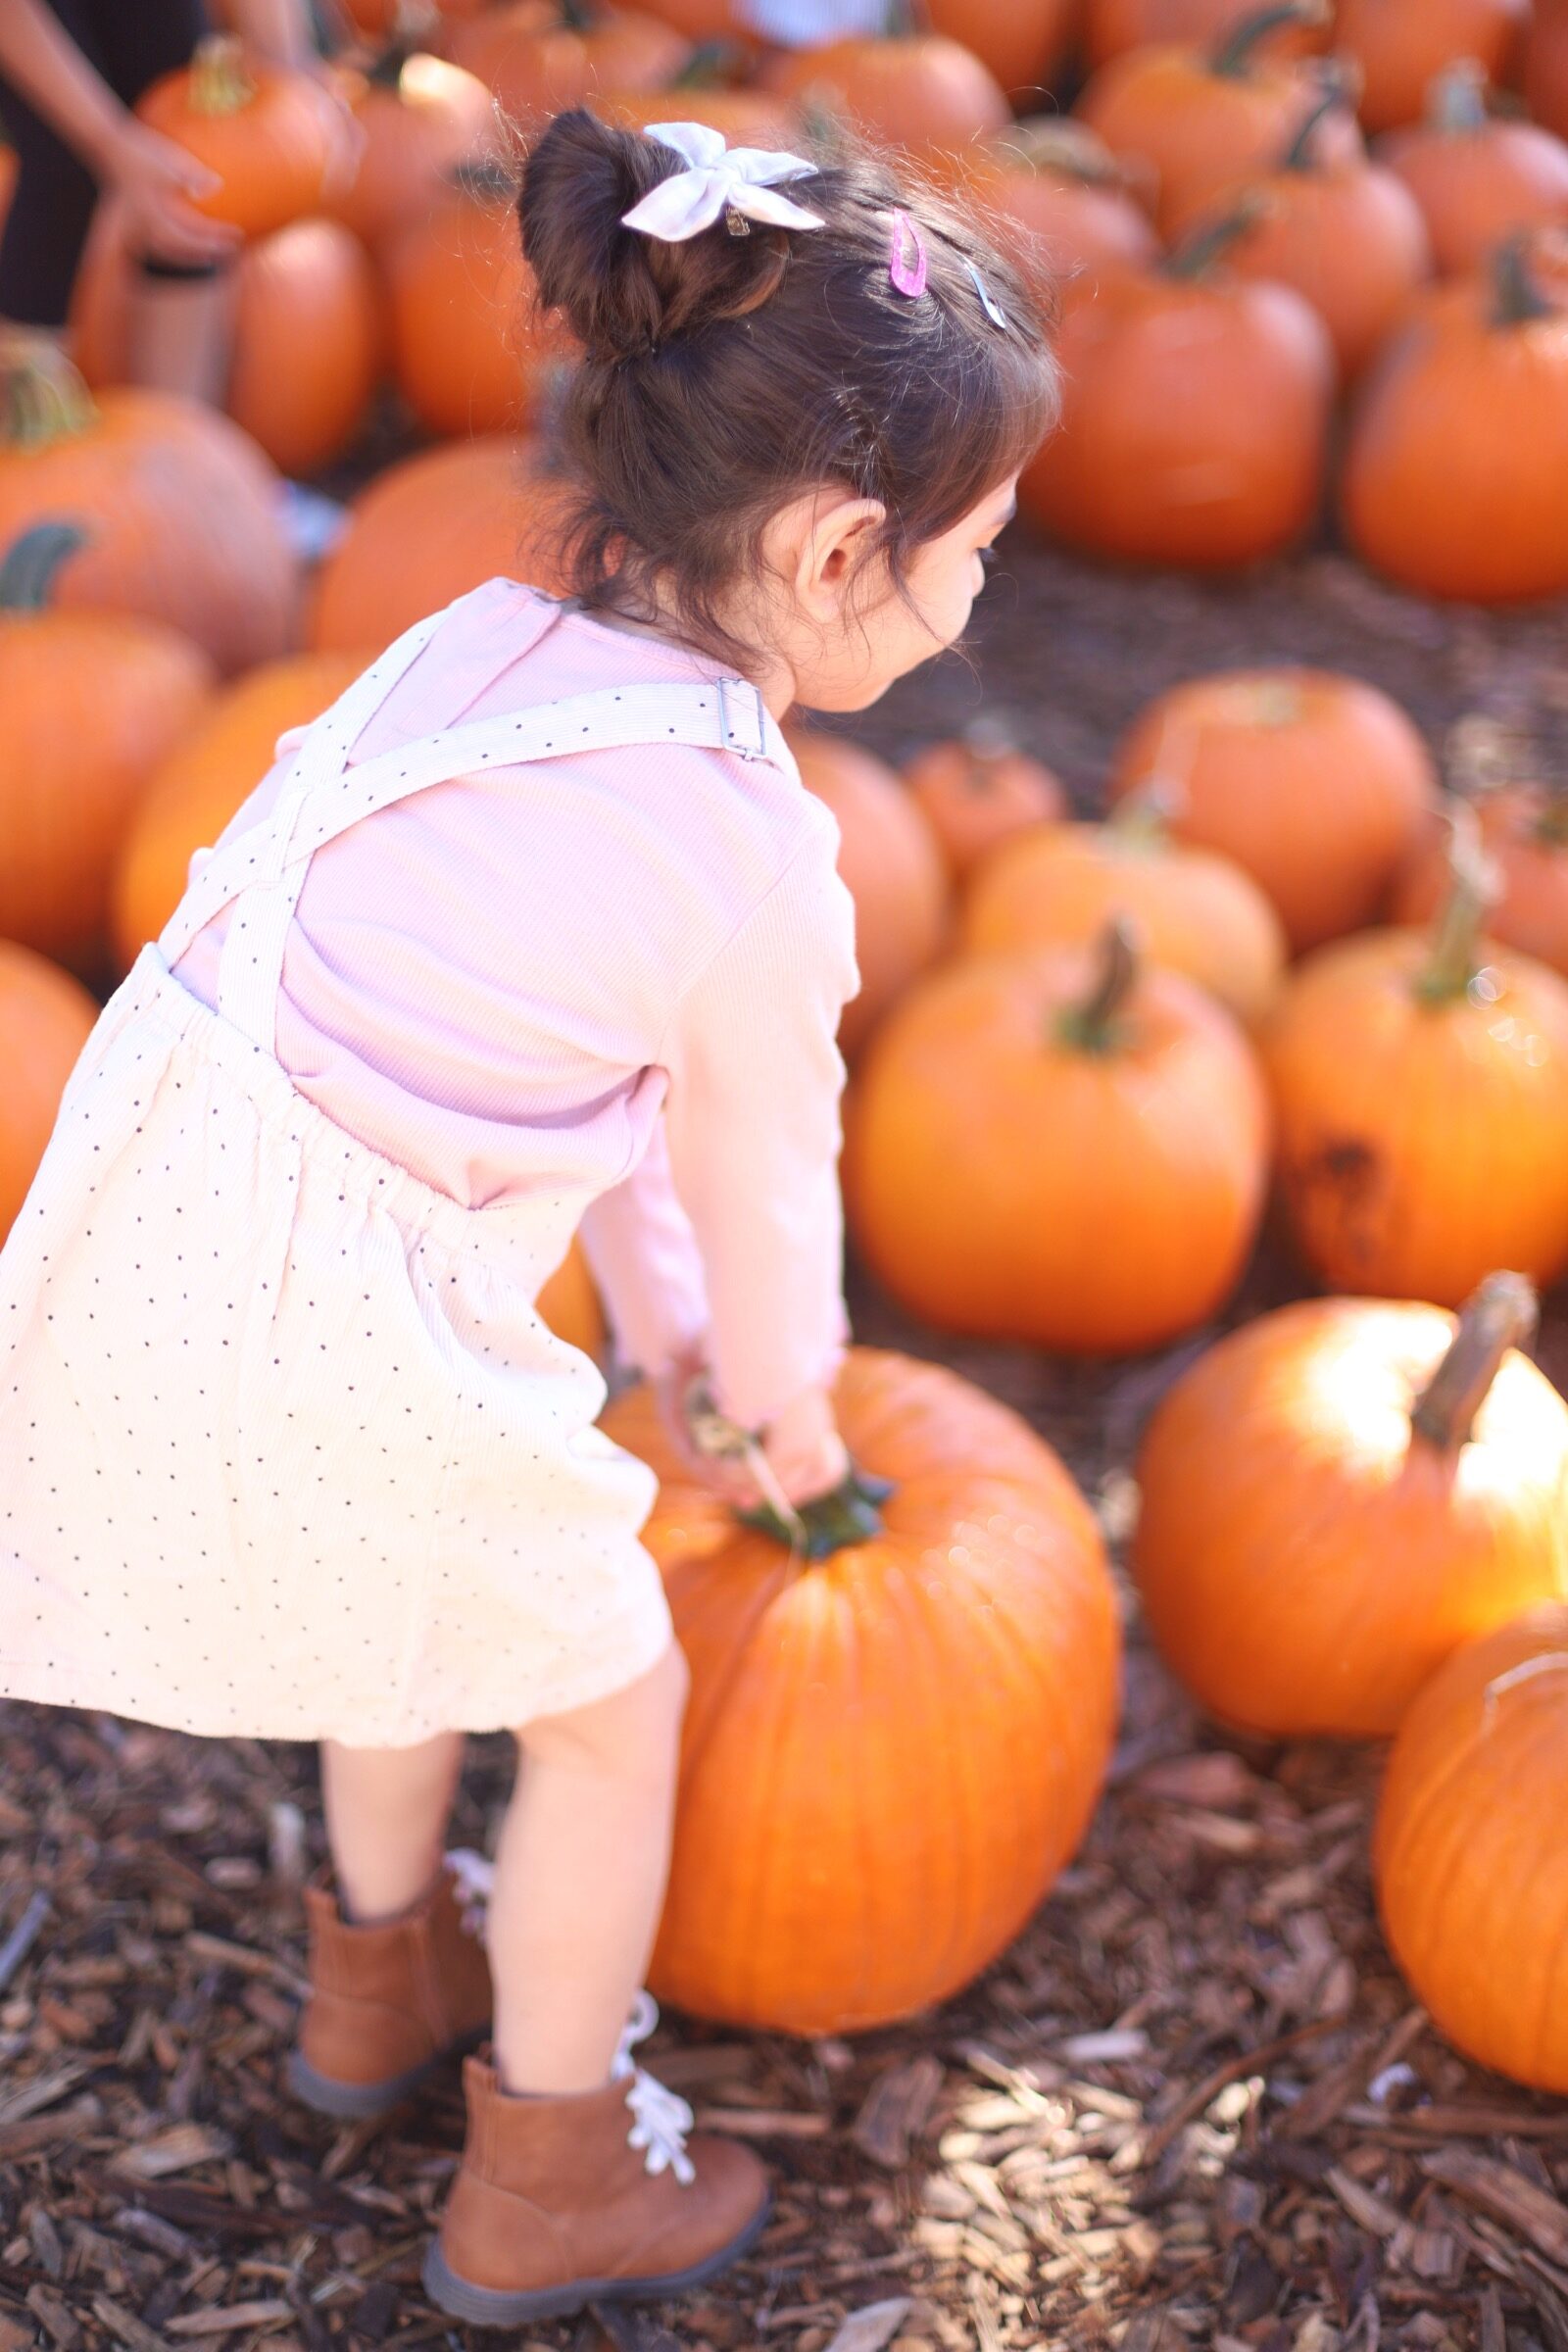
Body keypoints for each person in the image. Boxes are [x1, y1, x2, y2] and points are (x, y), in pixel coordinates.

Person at [0, 106, 1058, 2323]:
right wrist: (773, 1424)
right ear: (844, 551)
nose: (983, 599)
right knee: (603, 1704)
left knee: (410, 1618)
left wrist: (653, 1343)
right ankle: (551, 2171)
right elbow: (759, 1180)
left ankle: (370, 1993)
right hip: (336, 1314)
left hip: (160, 1228)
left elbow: (626, 1120)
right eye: (977, 552)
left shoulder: (468, 650)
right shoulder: (743, 841)